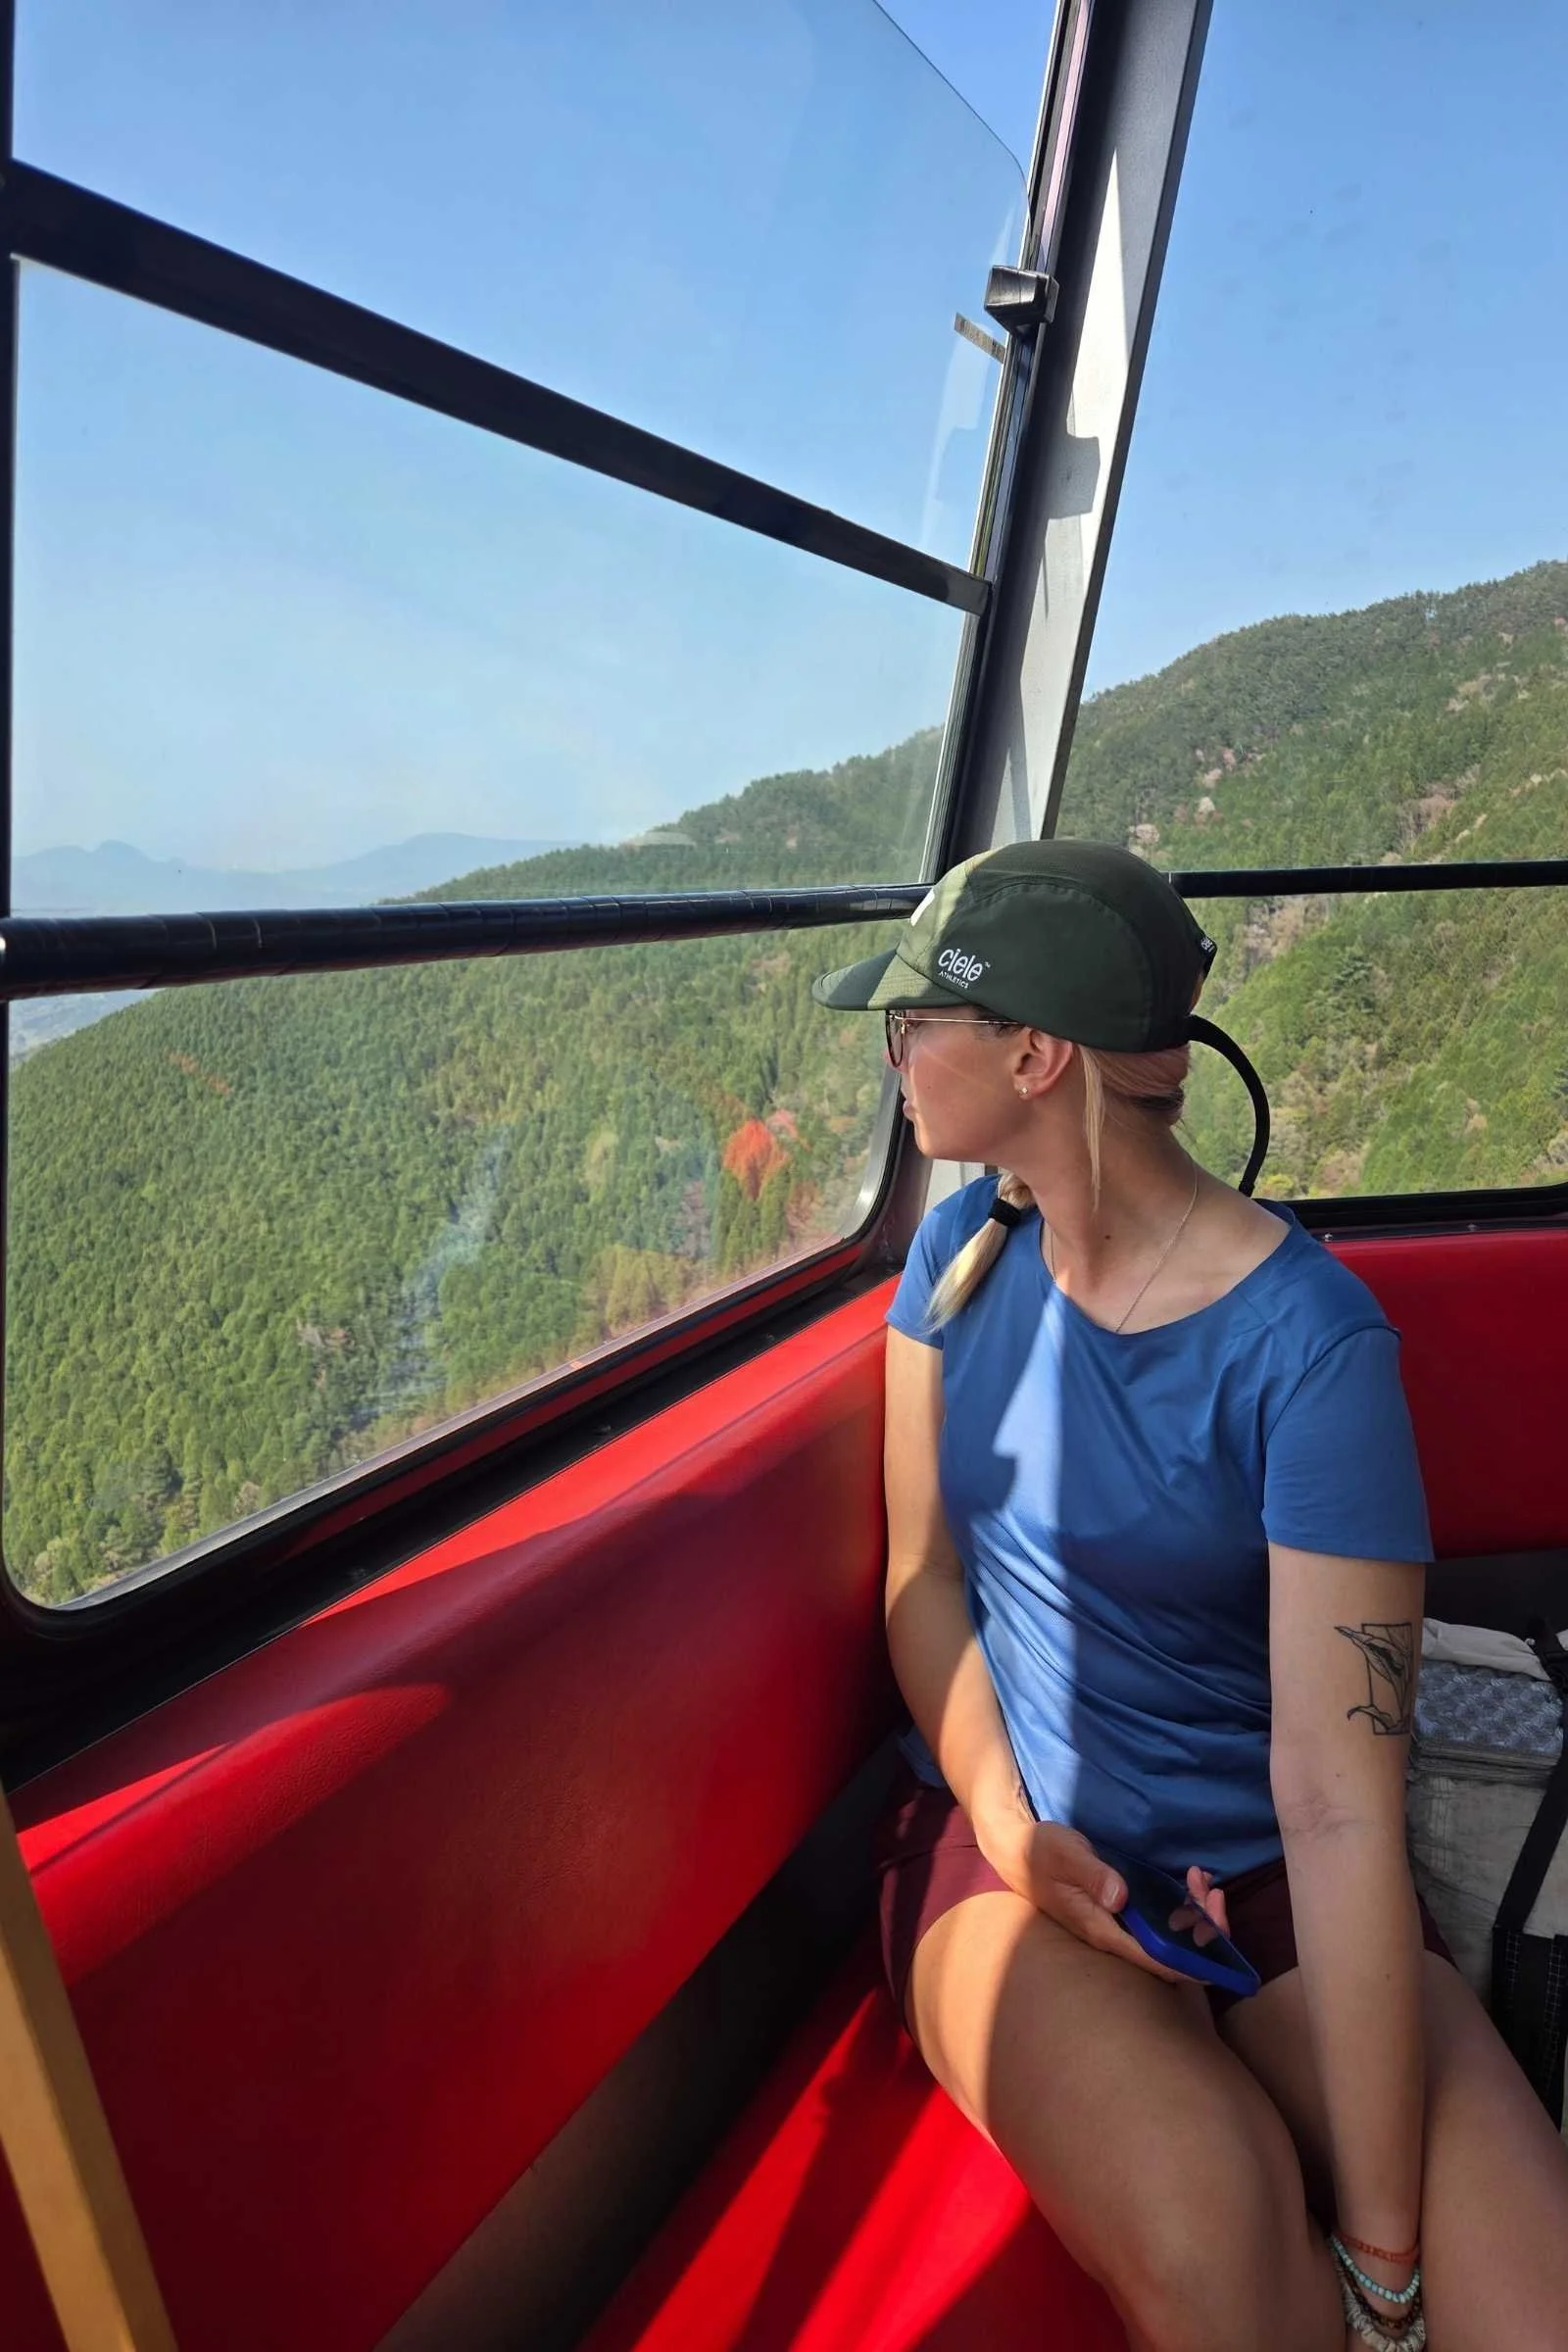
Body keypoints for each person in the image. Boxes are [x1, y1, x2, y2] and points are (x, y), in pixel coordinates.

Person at [811, 840, 1568, 2352]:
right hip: (1009, 1846)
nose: (895, 1061)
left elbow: (1339, 1806)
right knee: (1227, 2266)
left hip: (1277, 1887)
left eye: (918, 1027)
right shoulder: (957, 1264)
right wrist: (1016, 1831)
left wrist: (1389, 2263)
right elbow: (923, 1578)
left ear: (1033, 1055)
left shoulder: (1309, 1348)